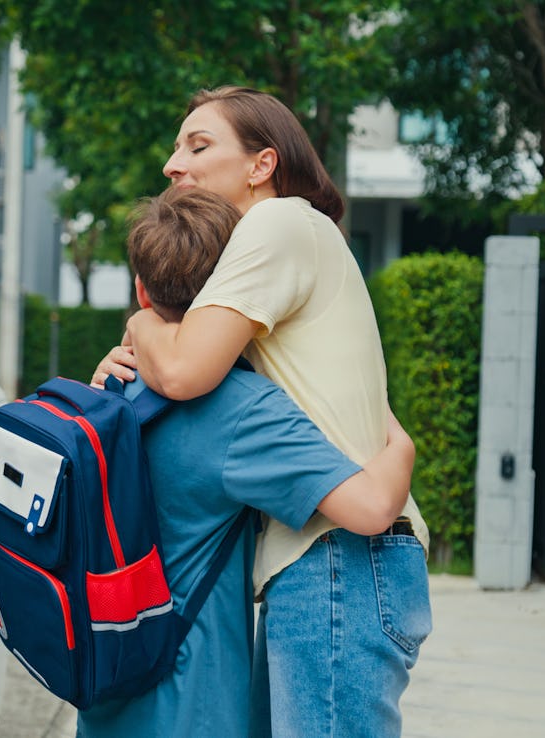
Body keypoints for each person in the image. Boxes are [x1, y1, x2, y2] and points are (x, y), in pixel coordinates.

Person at [92, 87, 432, 738]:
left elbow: (186, 369)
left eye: (198, 145)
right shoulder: (286, 241)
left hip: (342, 555)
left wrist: (139, 320)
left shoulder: (278, 223)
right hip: (333, 554)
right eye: (175, 146)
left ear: (262, 165)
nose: (172, 164)